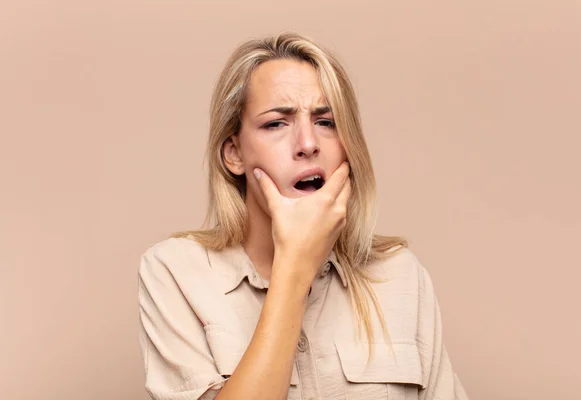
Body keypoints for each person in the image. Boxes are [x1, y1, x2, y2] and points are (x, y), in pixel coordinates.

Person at [137, 32, 469, 400]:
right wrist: (294, 267)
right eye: (276, 124)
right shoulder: (175, 273)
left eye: (326, 122)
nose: (308, 143)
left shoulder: (400, 276)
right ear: (234, 153)